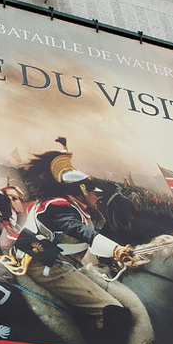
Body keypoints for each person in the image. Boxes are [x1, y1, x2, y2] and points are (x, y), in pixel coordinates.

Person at [15, 139, 136, 333]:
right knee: (114, 312)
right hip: (48, 266)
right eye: (92, 192)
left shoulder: (73, 206)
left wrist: (117, 256)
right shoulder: (58, 205)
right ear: (80, 191)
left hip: (64, 263)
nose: (97, 196)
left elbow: (81, 243)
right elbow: (76, 230)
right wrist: (115, 249)